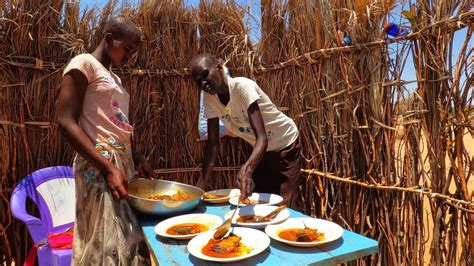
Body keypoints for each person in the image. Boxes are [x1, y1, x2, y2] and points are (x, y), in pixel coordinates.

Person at [58, 16, 152, 265]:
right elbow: (66, 123)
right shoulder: (83, 64)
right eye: (127, 49)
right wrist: (108, 168)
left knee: (126, 242)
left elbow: (116, 125)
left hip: (119, 167)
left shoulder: (115, 79)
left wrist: (136, 156)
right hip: (98, 166)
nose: (129, 57)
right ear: (109, 39)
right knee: (104, 246)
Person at [190, 53, 302, 208]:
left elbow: (262, 137)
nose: (203, 83)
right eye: (198, 81)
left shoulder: (242, 87)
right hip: (261, 151)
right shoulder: (209, 98)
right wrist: (198, 192)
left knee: (283, 207)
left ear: (219, 67)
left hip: (285, 144)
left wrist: (247, 169)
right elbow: (212, 146)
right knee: (255, 204)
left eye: (205, 74)